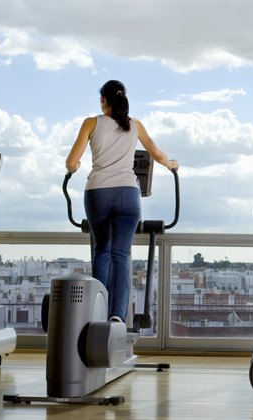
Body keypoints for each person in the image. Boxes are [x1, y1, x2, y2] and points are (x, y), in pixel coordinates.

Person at [65, 80, 179, 323]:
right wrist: (172, 165)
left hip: (98, 192)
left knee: (102, 249)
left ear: (103, 100)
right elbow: (158, 154)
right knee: (121, 254)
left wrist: (74, 167)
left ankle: (97, 313)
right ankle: (117, 315)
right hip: (129, 194)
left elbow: (71, 163)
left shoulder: (91, 123)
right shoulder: (135, 125)